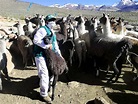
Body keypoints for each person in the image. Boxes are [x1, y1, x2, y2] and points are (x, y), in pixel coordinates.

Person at [33, 14, 63, 103]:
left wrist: (59, 54)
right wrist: (45, 46)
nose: (53, 22)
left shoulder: (52, 31)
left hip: (50, 55)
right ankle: (43, 94)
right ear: (46, 22)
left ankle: (47, 88)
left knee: (51, 72)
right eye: (51, 20)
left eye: (54, 20)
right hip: (40, 55)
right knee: (44, 73)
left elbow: (55, 44)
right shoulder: (42, 30)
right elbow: (36, 40)